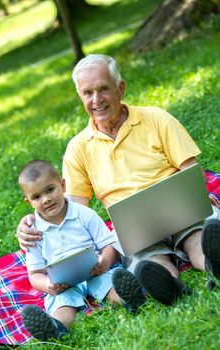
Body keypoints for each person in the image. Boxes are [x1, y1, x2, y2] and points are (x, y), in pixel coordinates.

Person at [17, 54, 220, 311]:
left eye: (103, 89)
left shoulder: (156, 118)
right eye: (87, 92)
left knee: (200, 239)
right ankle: (173, 288)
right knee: (149, 263)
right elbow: (72, 211)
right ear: (80, 96)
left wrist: (190, 200)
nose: (96, 100)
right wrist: (33, 220)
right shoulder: (78, 148)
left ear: (120, 88)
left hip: (181, 211)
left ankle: (213, 263)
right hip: (136, 231)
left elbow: (191, 171)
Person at [18, 159, 125, 341]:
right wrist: (48, 286)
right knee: (63, 309)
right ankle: (54, 330)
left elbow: (109, 244)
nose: (46, 199)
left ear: (63, 185)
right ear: (29, 202)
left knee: (113, 288)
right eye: (36, 197)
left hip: (96, 271)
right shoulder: (33, 232)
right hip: (62, 285)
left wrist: (104, 262)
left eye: (50, 189)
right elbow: (35, 274)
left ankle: (130, 299)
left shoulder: (84, 214)